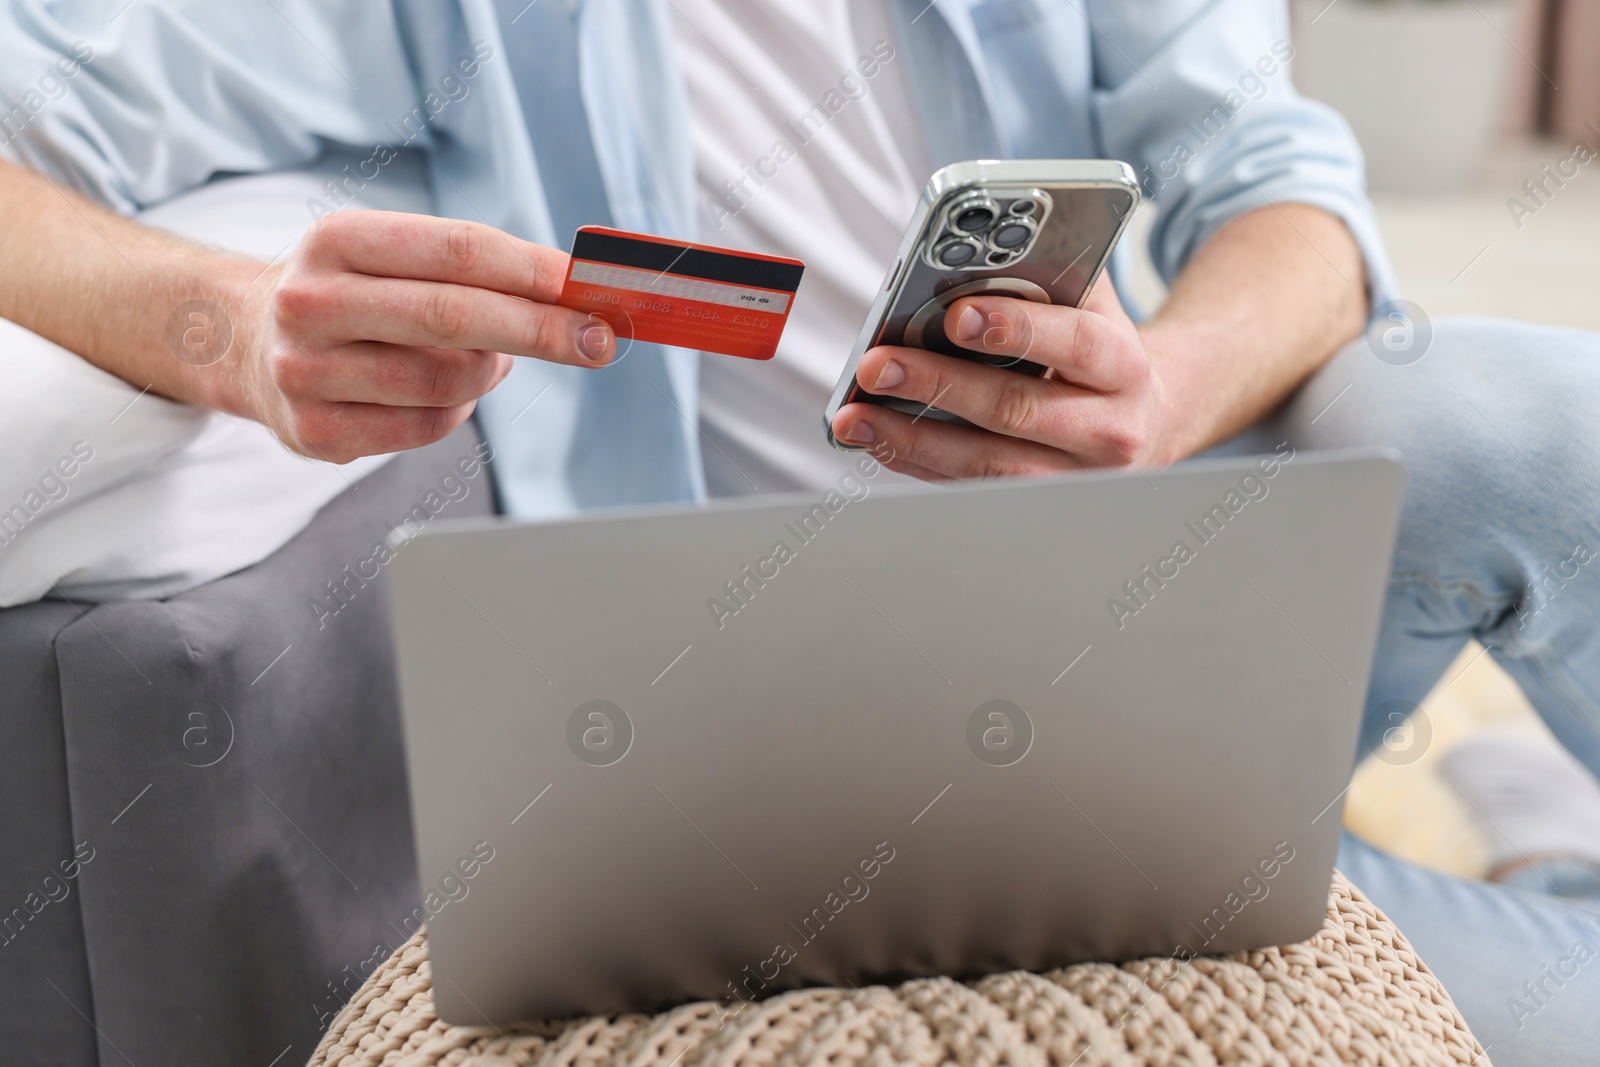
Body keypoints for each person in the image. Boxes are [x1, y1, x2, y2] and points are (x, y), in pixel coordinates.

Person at [2, 0, 1598, 1062]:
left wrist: (1159, 396)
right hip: (791, 709)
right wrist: (218, 326)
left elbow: (1293, 201)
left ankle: (1482, 830)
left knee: (1477, 412)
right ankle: (1502, 850)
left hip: (1132, 568)